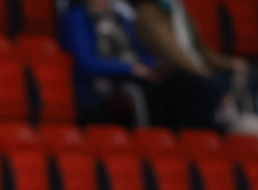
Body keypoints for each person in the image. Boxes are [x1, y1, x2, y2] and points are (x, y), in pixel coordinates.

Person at [132, 0, 246, 130]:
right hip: (171, 73)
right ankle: (192, 135)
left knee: (239, 76)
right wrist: (205, 74)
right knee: (205, 88)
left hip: (196, 70)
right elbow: (173, 54)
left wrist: (231, 63)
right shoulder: (148, 12)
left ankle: (225, 128)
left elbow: (200, 51)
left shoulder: (179, 11)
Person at [62, 0, 157, 124]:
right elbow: (86, 62)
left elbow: (140, 49)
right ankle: (148, 133)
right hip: (97, 81)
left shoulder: (120, 15)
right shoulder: (77, 17)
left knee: (174, 81)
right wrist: (129, 68)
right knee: (143, 87)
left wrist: (152, 65)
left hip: (131, 70)